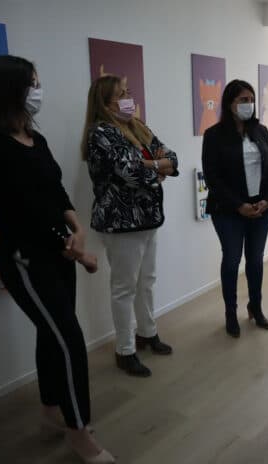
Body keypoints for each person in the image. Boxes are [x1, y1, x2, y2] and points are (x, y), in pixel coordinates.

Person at [0, 55, 114, 464]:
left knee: (51, 333)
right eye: (32, 83)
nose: (38, 90)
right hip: (26, 260)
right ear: (10, 91)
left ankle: (51, 409)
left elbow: (55, 192)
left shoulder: (37, 139)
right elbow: (22, 212)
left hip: (60, 252)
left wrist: (77, 228)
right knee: (69, 339)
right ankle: (78, 430)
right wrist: (77, 251)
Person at [82, 75, 178, 377]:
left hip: (148, 218)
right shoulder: (100, 133)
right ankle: (125, 350)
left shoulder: (138, 127)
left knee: (146, 280)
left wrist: (152, 164)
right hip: (121, 222)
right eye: (121, 94)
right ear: (105, 102)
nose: (128, 99)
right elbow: (131, 173)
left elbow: (173, 159)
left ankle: (147, 333)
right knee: (124, 288)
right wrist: (154, 167)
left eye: (127, 92)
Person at [202, 79, 268, 338]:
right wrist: (239, 205)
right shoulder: (214, 135)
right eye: (243, 100)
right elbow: (212, 178)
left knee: (255, 260)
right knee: (232, 260)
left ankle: (255, 307)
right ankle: (230, 312)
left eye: (251, 99)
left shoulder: (261, 131)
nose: (249, 104)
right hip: (228, 210)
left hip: (260, 207)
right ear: (229, 103)